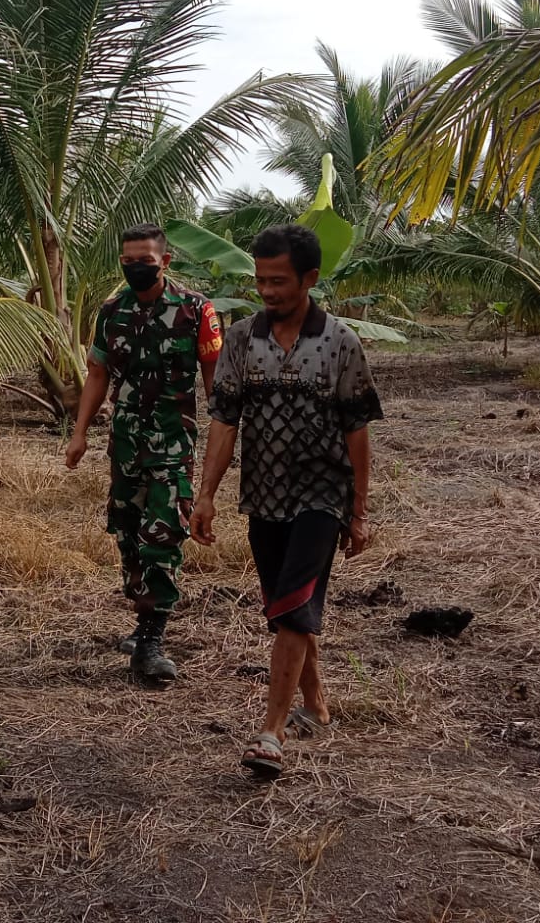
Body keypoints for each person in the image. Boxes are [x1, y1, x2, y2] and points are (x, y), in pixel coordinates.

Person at [190, 223, 382, 777]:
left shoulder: (341, 342)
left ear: (310, 279)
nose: (268, 292)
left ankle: (270, 732)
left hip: (321, 495)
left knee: (295, 604)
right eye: (261, 281)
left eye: (279, 282)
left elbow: (357, 430)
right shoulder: (243, 340)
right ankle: (316, 704)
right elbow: (225, 421)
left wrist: (358, 510)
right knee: (285, 610)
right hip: (264, 495)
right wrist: (206, 495)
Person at [65, 223, 224, 684]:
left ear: (166, 262)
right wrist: (80, 434)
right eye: (128, 262)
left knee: (163, 534)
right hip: (126, 444)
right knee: (129, 535)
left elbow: (214, 380)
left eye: (145, 262)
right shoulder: (113, 311)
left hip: (174, 446)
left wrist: (226, 434)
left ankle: (151, 640)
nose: (136, 269)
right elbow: (98, 374)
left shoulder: (197, 311)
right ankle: (142, 617)